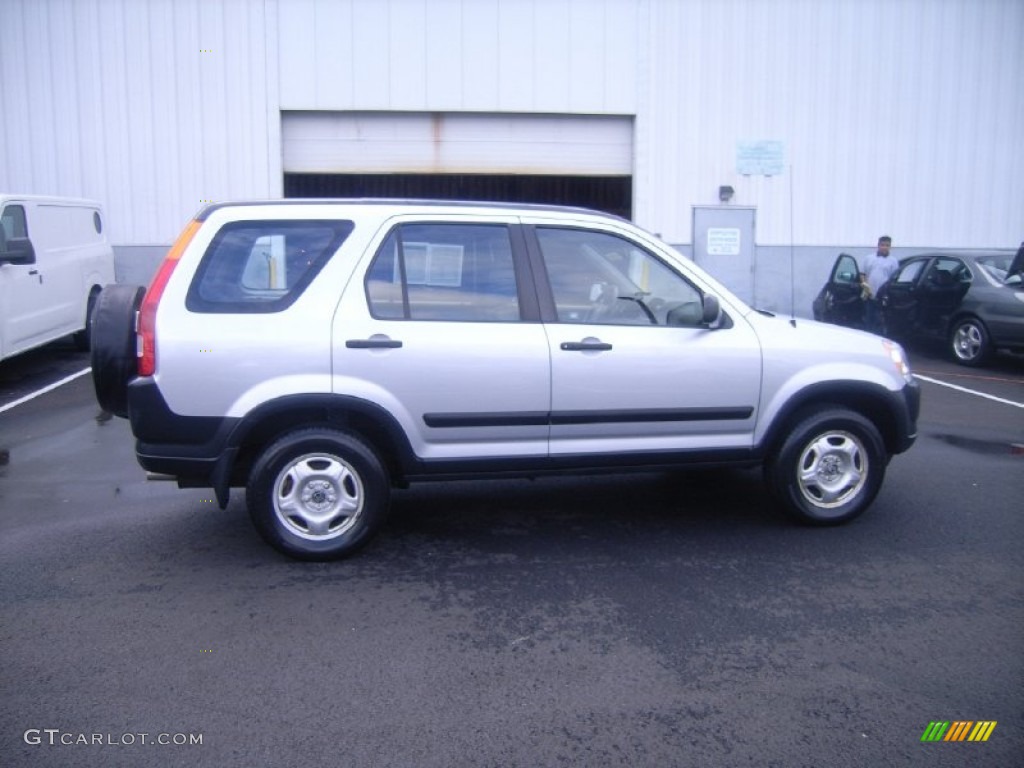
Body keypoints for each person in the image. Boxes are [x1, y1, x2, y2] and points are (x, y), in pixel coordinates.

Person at [861, 235, 898, 334]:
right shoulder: (869, 258)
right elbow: (863, 275)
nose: (884, 247)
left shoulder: (893, 261)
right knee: (868, 320)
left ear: (890, 247)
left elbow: (894, 279)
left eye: (887, 245)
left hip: (884, 297)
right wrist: (865, 287)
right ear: (878, 245)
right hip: (870, 295)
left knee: (880, 321)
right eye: (882, 245)